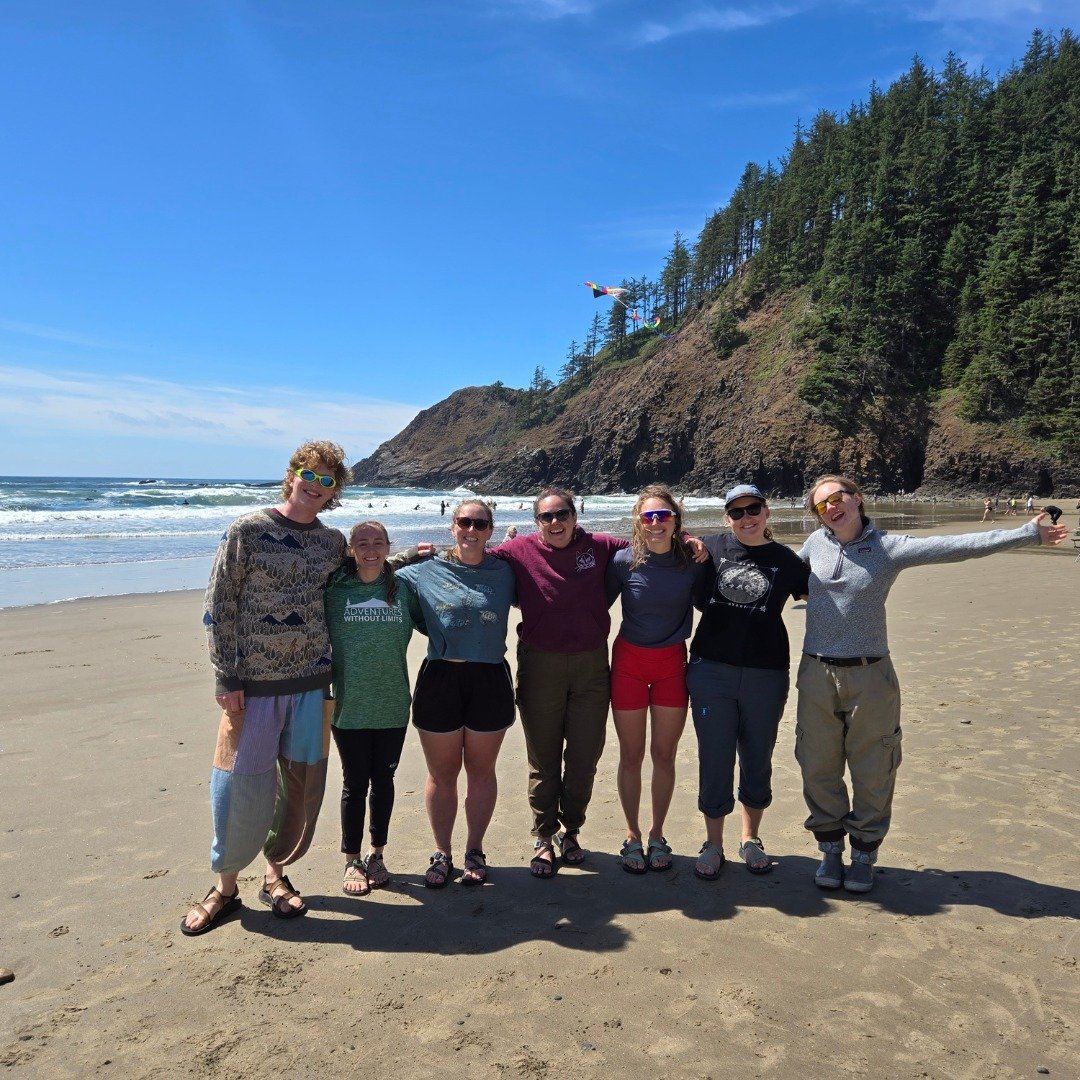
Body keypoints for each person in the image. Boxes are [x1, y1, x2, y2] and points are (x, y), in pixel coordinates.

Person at [796, 474, 1067, 895]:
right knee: (817, 764)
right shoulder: (814, 545)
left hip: (871, 675)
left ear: (857, 498)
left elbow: (956, 547)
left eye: (836, 498)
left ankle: (864, 854)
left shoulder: (887, 549)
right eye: (820, 505)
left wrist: (1025, 533)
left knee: (874, 767)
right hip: (816, 672)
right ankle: (830, 850)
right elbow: (773, 575)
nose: (830, 508)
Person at [181, 441, 351, 935]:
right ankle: (226, 888)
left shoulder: (331, 542)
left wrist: (409, 558)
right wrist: (225, 675)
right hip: (252, 686)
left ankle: (275, 875)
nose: (314, 485)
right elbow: (220, 603)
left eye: (326, 480)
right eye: (308, 474)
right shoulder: (248, 530)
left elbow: (362, 572)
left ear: (333, 491)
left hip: (313, 683)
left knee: (299, 788)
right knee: (239, 786)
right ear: (291, 474)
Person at [493, 488, 706, 877]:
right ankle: (544, 836)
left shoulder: (604, 546)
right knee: (543, 757)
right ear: (535, 521)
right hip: (540, 663)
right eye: (546, 517)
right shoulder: (516, 550)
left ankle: (570, 831)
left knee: (584, 755)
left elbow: (650, 541)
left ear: (576, 516)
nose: (555, 523)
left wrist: (688, 539)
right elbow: (471, 562)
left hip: (593, 663)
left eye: (562, 514)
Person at [685, 484, 809, 880]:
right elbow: (665, 537)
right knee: (715, 755)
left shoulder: (785, 561)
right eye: (736, 512)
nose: (746, 518)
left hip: (766, 672)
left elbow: (822, 594)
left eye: (753, 508)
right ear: (726, 518)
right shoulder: (709, 547)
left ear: (766, 512)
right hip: (710, 670)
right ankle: (714, 843)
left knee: (757, 756)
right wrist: (690, 540)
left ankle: (751, 838)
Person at [396, 500, 516, 888]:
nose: (471, 529)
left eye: (480, 523)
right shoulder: (424, 571)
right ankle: (443, 852)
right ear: (452, 527)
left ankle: (475, 850)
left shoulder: (505, 571)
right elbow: (371, 566)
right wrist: (410, 552)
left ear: (490, 530)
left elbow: (546, 568)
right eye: (464, 522)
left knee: (481, 773)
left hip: (489, 678)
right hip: (441, 679)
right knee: (442, 774)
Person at [605, 485, 706, 873]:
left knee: (663, 755)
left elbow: (712, 594)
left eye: (663, 515)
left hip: (671, 665)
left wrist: (695, 542)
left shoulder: (692, 561)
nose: (655, 523)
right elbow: (593, 606)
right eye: (648, 516)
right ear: (637, 521)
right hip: (629, 663)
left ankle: (657, 832)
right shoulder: (621, 562)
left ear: (676, 520)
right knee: (631, 756)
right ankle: (631, 834)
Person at [324, 521, 425, 896]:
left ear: (387, 547)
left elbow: (435, 620)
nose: (370, 549)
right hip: (349, 704)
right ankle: (351, 860)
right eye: (362, 543)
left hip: (393, 703)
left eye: (378, 543)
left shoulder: (403, 588)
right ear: (351, 548)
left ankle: (377, 854)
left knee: (384, 781)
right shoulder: (334, 588)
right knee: (354, 782)